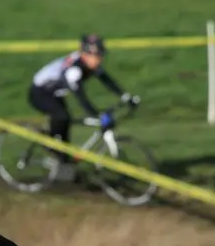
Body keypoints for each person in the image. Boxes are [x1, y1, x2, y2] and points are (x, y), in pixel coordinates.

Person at [28, 34, 139, 174]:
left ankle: (62, 164)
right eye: (97, 56)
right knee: (62, 117)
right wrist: (96, 114)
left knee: (65, 130)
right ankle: (49, 144)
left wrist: (126, 97)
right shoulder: (74, 70)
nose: (100, 59)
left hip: (55, 93)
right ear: (86, 55)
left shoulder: (91, 64)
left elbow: (108, 81)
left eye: (101, 55)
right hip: (40, 93)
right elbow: (81, 98)